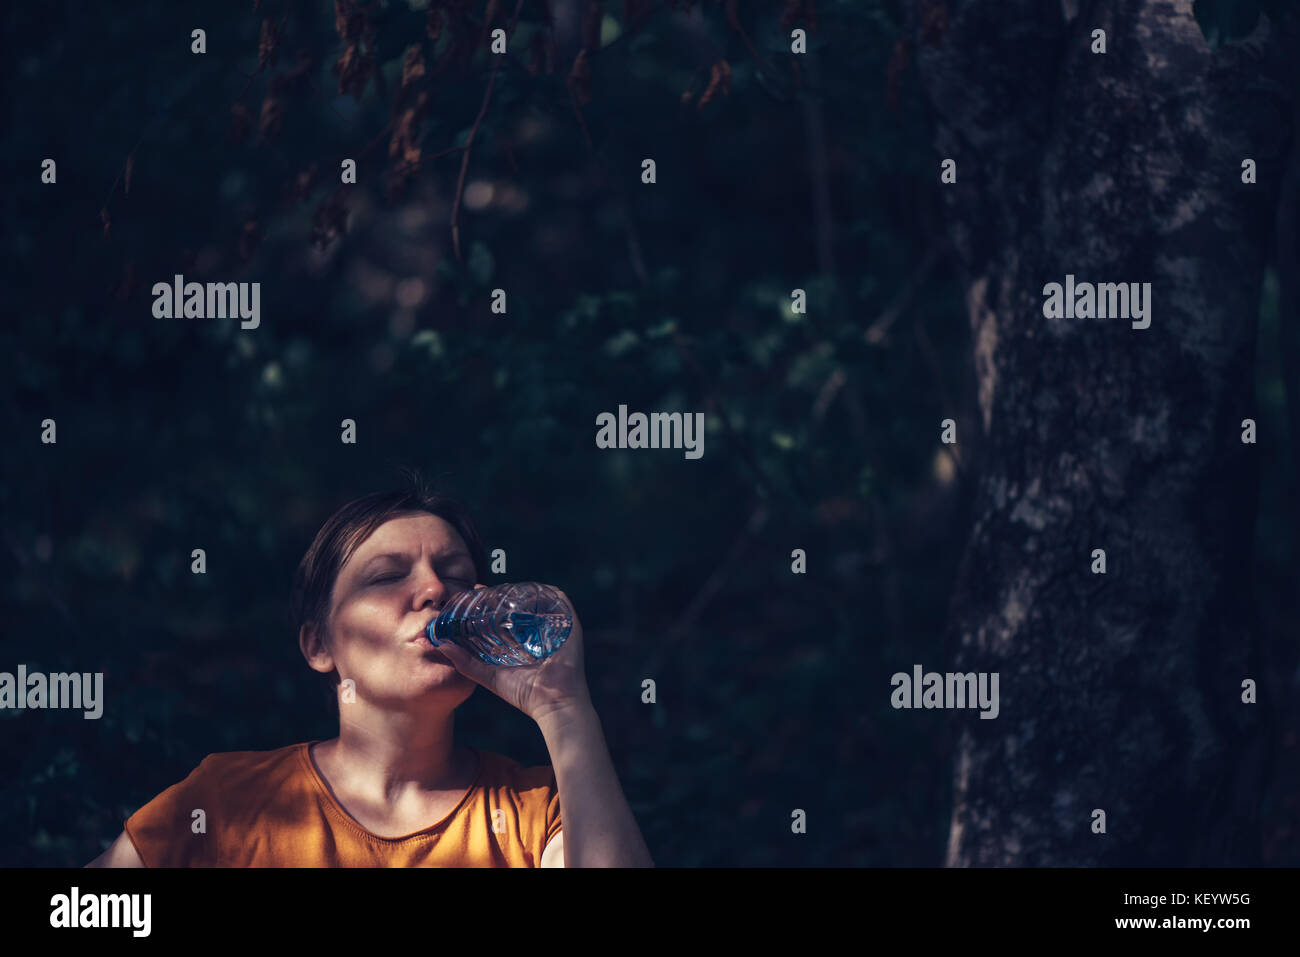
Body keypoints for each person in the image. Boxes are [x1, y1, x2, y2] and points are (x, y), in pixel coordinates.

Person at [86, 472, 653, 867]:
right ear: (318, 646)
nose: (434, 589)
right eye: (387, 576)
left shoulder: (536, 815)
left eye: (455, 575)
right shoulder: (227, 802)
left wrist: (563, 708)